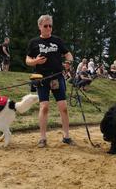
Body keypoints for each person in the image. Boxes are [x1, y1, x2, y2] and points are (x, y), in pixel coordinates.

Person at [26, 14, 74, 148]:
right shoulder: (34, 42)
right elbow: (27, 60)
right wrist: (35, 61)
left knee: (63, 107)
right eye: (45, 26)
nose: (48, 28)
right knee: (44, 107)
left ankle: (66, 136)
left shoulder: (57, 41)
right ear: (40, 26)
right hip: (42, 78)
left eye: (50, 26)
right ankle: (42, 138)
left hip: (57, 76)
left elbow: (68, 53)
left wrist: (69, 61)